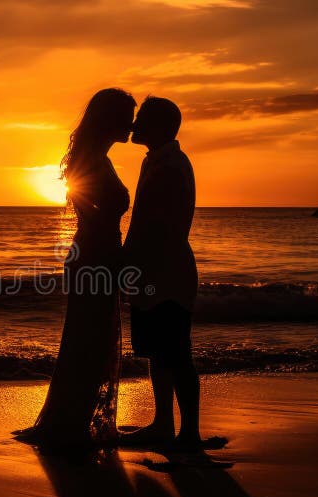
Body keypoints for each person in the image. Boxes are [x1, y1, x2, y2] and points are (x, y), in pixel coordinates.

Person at [13, 88, 135, 450]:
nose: (130, 124)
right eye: (126, 116)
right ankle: (70, 424)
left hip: (98, 253)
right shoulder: (92, 159)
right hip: (95, 256)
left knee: (91, 340)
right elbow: (91, 212)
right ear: (109, 119)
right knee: (88, 340)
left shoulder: (96, 157)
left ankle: (74, 420)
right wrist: (112, 252)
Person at [120, 96, 202, 450]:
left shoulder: (169, 166)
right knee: (159, 351)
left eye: (142, 119)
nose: (134, 125)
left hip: (167, 271)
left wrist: (125, 263)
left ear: (158, 126)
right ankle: (164, 423)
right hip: (156, 270)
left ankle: (189, 433)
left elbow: (155, 226)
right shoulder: (158, 161)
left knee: (176, 352)